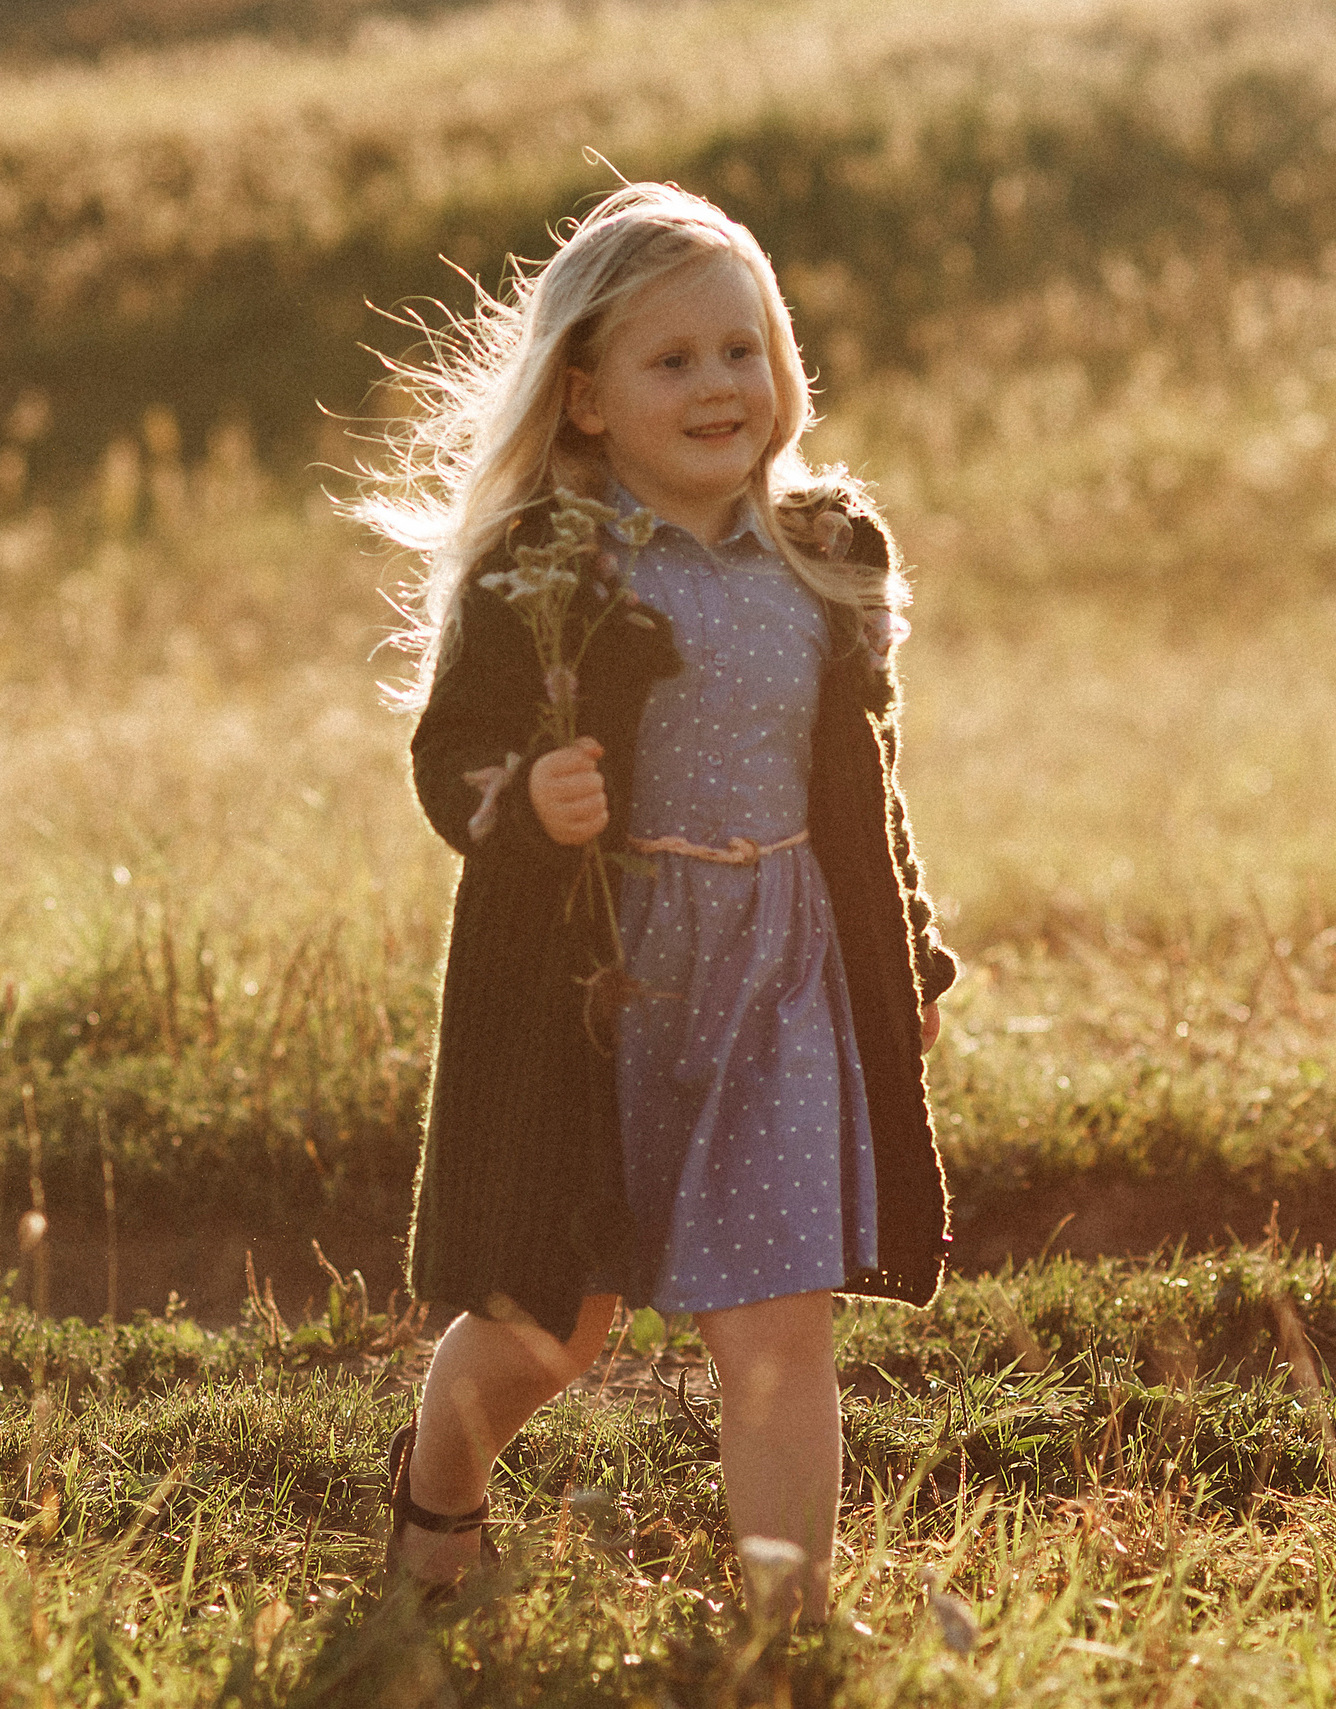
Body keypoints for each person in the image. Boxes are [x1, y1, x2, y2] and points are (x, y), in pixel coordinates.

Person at [352, 180, 957, 1623]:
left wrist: (911, 949)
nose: (718, 385)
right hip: (604, 987)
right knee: (550, 1333)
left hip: (785, 968)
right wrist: (524, 804)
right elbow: (451, 760)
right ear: (584, 398)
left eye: (741, 350)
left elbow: (864, 779)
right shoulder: (547, 571)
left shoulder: (822, 557)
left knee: (775, 1328)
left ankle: (785, 1618)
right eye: (672, 360)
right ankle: (439, 1483)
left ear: (784, 365)